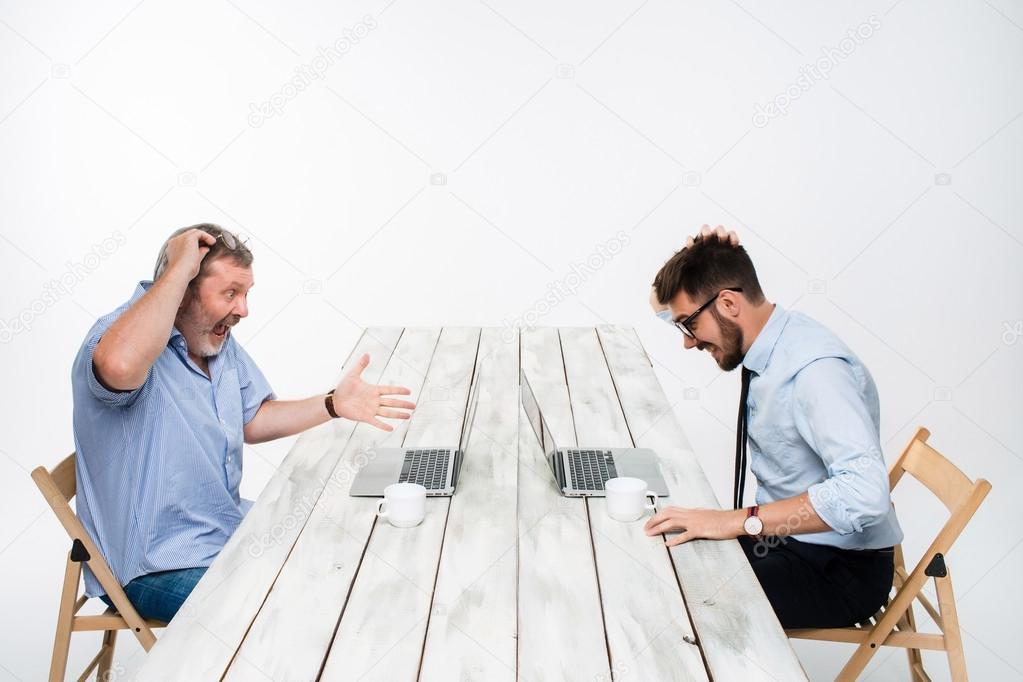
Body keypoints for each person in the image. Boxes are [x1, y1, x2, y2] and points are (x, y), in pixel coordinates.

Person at [71, 223, 415, 623]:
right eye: (230, 293)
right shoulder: (115, 339)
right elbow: (120, 365)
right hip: (152, 566)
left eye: (246, 294)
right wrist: (179, 267)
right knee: (292, 608)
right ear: (180, 290)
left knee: (339, 553)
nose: (244, 310)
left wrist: (333, 404)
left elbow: (253, 418)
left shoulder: (214, 342)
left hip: (223, 530)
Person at [644, 227, 902, 629]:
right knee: (659, 561)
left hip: (839, 569)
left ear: (728, 303)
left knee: (679, 604)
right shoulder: (770, 338)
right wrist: (692, 262)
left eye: (688, 325)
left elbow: (865, 493)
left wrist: (736, 521)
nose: (688, 343)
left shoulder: (815, 372)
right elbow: (666, 302)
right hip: (786, 543)